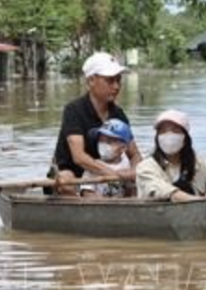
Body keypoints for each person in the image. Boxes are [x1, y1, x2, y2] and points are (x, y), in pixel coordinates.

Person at [50, 51, 141, 192]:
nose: (116, 86)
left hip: (106, 180)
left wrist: (134, 171)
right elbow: (79, 157)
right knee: (66, 179)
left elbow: (134, 153)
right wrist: (113, 175)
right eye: (110, 81)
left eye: (118, 80)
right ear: (91, 81)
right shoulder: (74, 110)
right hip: (75, 176)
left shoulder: (118, 114)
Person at [135, 110, 206, 202]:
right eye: (163, 131)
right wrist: (203, 202)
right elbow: (171, 194)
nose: (169, 136)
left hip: (196, 215)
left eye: (175, 130)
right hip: (159, 217)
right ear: (157, 137)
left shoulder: (198, 164)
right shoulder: (145, 167)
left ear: (185, 138)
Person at [78, 118, 134, 198]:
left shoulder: (127, 163)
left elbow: (132, 190)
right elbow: (87, 193)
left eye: (110, 141)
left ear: (123, 147)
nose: (104, 145)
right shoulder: (93, 167)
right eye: (101, 140)